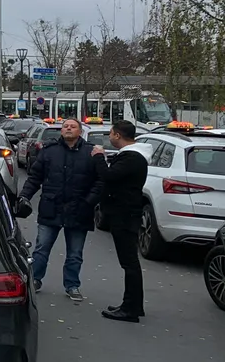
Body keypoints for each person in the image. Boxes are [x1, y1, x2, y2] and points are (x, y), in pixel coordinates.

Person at [19, 117, 103, 301]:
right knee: (41, 248)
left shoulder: (90, 153)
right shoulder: (49, 151)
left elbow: (100, 181)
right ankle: (35, 279)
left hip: (79, 209)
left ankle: (72, 285)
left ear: (80, 131)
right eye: (65, 126)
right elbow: (35, 177)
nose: (68, 129)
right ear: (61, 130)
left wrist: (89, 201)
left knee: (75, 253)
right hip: (51, 207)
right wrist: (24, 196)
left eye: (73, 126)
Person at [91, 120, 152, 322]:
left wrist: (99, 156)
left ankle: (130, 308)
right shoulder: (130, 156)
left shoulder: (132, 157)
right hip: (124, 212)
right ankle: (133, 305)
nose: (109, 137)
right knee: (129, 262)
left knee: (129, 263)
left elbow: (109, 176)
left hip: (125, 214)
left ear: (117, 135)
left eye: (110, 133)